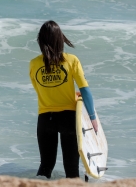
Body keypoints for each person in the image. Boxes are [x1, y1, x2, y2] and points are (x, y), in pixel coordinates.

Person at [29, 20, 98, 179]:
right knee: (72, 168)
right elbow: (85, 90)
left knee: (45, 166)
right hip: (68, 118)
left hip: (45, 119)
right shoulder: (71, 60)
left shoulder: (33, 64)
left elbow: (44, 90)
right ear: (60, 39)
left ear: (40, 40)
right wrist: (92, 118)